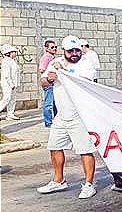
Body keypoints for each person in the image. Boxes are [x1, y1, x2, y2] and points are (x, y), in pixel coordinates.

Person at [36, 35, 98, 199]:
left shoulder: (86, 63)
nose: (74, 53)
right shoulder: (54, 62)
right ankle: (59, 180)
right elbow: (43, 81)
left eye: (77, 50)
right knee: (54, 146)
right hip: (61, 115)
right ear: (64, 50)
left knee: (85, 151)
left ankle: (89, 184)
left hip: (80, 116)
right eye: (71, 51)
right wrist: (49, 79)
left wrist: (61, 71)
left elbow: (83, 81)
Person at [0, 44, 22, 120]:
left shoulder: (11, 61)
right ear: (9, 53)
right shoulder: (6, 61)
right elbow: (7, 75)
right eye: (14, 52)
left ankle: (10, 114)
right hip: (7, 84)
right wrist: (11, 84)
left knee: (12, 99)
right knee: (6, 98)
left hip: (13, 84)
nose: (15, 53)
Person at [39, 40, 58, 127]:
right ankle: (48, 122)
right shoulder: (47, 57)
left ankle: (54, 120)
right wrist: (49, 74)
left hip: (50, 82)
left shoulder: (51, 57)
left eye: (55, 47)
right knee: (49, 103)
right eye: (52, 47)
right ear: (47, 48)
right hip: (48, 82)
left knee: (54, 102)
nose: (54, 49)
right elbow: (42, 69)